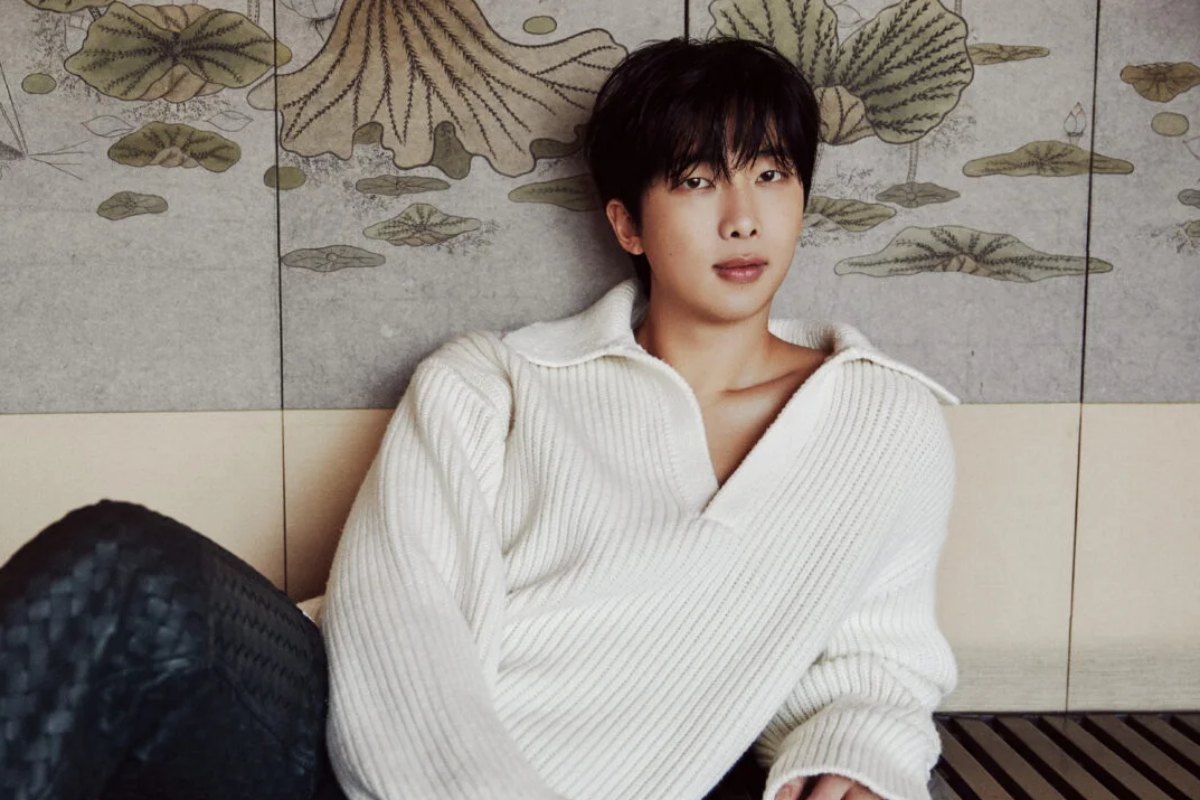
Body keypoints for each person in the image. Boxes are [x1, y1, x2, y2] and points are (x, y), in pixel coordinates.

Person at [0, 36, 956, 800]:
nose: (743, 217)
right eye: (698, 181)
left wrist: (860, 753)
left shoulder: (883, 422)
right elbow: (394, 619)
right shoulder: (492, 383)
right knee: (119, 561)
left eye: (772, 174)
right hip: (324, 741)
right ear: (627, 223)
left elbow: (874, 663)